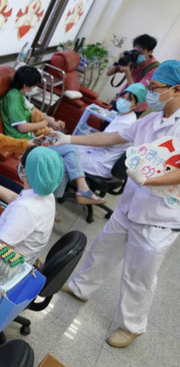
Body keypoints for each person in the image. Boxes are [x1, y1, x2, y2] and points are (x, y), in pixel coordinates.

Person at [56, 60, 180, 348]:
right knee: (102, 250)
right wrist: (70, 138)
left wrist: (149, 180)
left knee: (139, 275)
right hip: (129, 206)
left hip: (159, 218)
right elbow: (112, 136)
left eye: (155, 88)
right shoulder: (150, 120)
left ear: (176, 89)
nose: (151, 93)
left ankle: (132, 326)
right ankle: (81, 287)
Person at [0, 66, 106, 205]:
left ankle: (52, 201)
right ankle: (81, 189)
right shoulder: (13, 98)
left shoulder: (20, 96)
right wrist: (43, 124)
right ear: (26, 85)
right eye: (34, 85)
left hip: (33, 137)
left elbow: (36, 111)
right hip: (24, 141)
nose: (35, 88)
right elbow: (22, 127)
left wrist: (53, 122)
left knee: (63, 161)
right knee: (70, 149)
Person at [0, 146, 64, 266]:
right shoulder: (47, 194)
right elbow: (15, 198)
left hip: (6, 266)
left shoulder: (25, 209)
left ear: (24, 171)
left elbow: (0, 254)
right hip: (25, 259)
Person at [78, 83, 147, 178]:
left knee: (69, 153)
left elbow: (103, 141)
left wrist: (71, 139)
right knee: (70, 149)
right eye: (123, 97)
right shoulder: (123, 115)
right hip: (99, 152)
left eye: (129, 99)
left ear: (136, 105)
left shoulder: (127, 123)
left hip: (102, 162)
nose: (123, 101)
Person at [106, 34, 159, 115]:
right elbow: (108, 73)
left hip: (135, 106)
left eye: (140, 53)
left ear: (150, 52)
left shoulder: (154, 69)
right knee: (107, 121)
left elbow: (136, 91)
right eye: (135, 51)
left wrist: (127, 72)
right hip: (121, 100)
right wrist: (120, 60)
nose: (137, 55)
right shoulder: (132, 58)